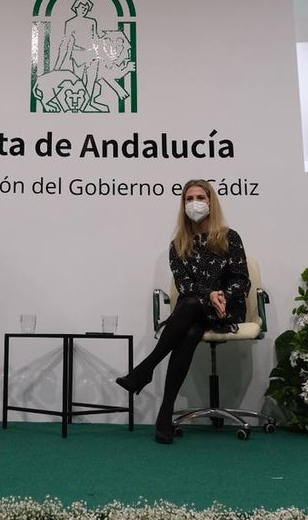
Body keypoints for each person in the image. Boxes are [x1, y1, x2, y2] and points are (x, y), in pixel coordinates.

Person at [115, 179, 250, 444]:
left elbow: (240, 278)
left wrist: (222, 295)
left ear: (210, 202)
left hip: (225, 308)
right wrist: (207, 295)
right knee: (189, 325)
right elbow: (185, 285)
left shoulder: (229, 237)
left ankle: (145, 369)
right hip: (195, 308)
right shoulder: (178, 244)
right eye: (188, 199)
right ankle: (165, 413)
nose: (194, 203)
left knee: (189, 307)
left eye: (200, 197)